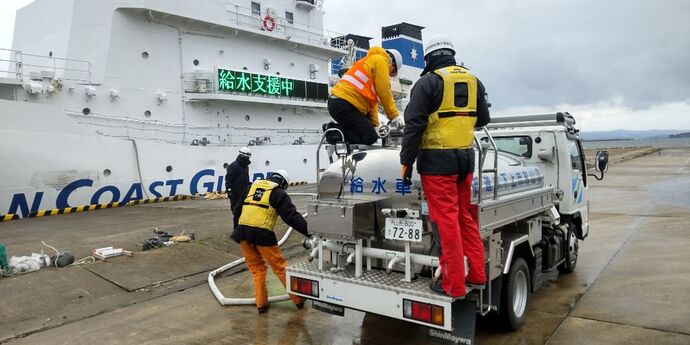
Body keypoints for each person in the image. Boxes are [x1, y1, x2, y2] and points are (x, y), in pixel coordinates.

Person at [399, 35, 490, 298]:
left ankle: (454, 285)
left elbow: (413, 126)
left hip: (438, 164)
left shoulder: (427, 83)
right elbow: (483, 118)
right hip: (466, 160)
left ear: (429, 59)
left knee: (446, 222)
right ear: (451, 54)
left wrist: (406, 163)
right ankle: (477, 274)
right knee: (464, 217)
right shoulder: (474, 81)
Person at [231, 169, 310, 313]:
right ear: (283, 184)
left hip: (242, 233)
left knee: (257, 269)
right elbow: (291, 216)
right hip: (262, 234)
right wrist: (309, 232)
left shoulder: (250, 188)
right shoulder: (278, 193)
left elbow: (237, 210)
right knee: (281, 268)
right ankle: (298, 299)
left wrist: (237, 230)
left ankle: (261, 304)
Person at [326, 47, 404, 145]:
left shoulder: (370, 60)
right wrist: (394, 116)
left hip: (340, 103)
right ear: (392, 64)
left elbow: (372, 103)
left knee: (369, 134)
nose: (389, 74)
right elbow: (384, 91)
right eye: (391, 72)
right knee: (369, 137)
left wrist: (375, 125)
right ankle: (332, 131)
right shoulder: (381, 61)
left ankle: (336, 132)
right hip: (345, 104)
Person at [225, 146, 252, 229]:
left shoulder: (245, 166)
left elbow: (245, 178)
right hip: (235, 195)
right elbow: (228, 180)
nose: (247, 158)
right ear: (241, 155)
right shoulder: (233, 166)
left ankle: (242, 229)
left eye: (248, 157)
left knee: (245, 212)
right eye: (246, 156)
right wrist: (229, 192)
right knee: (236, 213)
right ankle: (236, 230)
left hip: (245, 194)